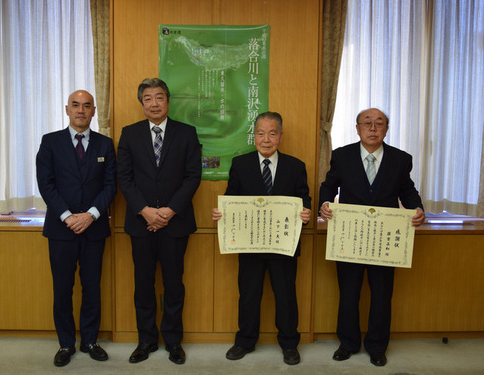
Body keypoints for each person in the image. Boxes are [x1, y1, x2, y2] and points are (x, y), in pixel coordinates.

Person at [319, 108, 425, 367]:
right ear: (357, 128)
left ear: (387, 129)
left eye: (379, 123)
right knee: (349, 293)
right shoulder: (342, 156)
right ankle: (348, 343)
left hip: (383, 239)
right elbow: (329, 185)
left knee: (381, 294)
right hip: (349, 236)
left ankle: (377, 347)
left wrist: (419, 208)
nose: (373, 128)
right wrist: (324, 203)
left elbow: (407, 190)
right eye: (367, 123)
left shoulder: (400, 159)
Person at [211, 111, 312, 365]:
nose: (266, 139)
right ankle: (245, 341)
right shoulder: (241, 164)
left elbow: (304, 199)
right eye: (260, 133)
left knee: (286, 295)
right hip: (250, 243)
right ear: (254, 135)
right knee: (248, 294)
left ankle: (289, 344)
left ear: (280, 135)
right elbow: (231, 198)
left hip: (283, 244)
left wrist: (306, 212)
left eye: (272, 133)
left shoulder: (296, 166)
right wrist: (221, 213)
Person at [117, 78, 202, 365]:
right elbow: (124, 178)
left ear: (168, 101)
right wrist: (145, 211)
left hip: (175, 223)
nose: (154, 103)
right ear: (141, 104)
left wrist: (168, 211)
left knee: (174, 284)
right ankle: (146, 340)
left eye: (159, 97)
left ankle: (174, 342)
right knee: (143, 285)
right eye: (148, 99)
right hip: (140, 223)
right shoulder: (129, 134)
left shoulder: (187, 133)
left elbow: (193, 177)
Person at [36, 90, 117, 367]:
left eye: (86, 106)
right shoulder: (50, 142)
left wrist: (91, 215)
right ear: (67, 110)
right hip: (61, 229)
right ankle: (66, 344)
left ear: (94, 111)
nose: (81, 110)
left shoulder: (105, 145)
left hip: (94, 229)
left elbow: (110, 186)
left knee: (92, 287)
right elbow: (46, 184)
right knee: (63, 289)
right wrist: (69, 216)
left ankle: (91, 341)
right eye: (75, 106)